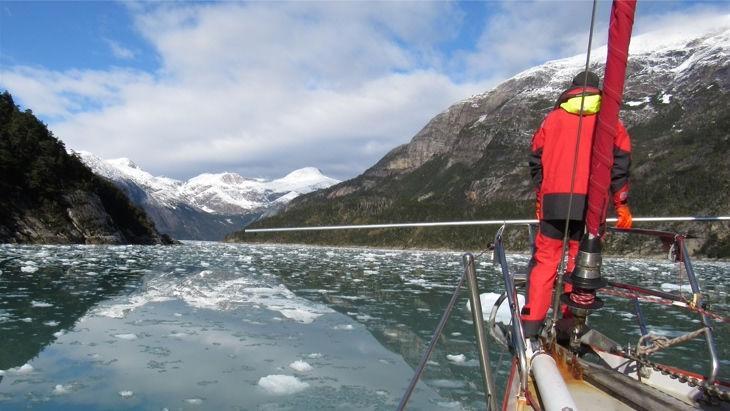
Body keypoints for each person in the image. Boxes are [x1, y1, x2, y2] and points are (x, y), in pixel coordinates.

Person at [521, 70, 633, 338]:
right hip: (591, 206)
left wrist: (542, 196)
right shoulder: (610, 123)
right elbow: (620, 165)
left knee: (545, 260)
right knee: (579, 263)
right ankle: (569, 324)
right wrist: (622, 204)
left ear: (571, 90)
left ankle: (531, 325)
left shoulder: (551, 120)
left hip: (553, 204)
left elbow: (535, 160)